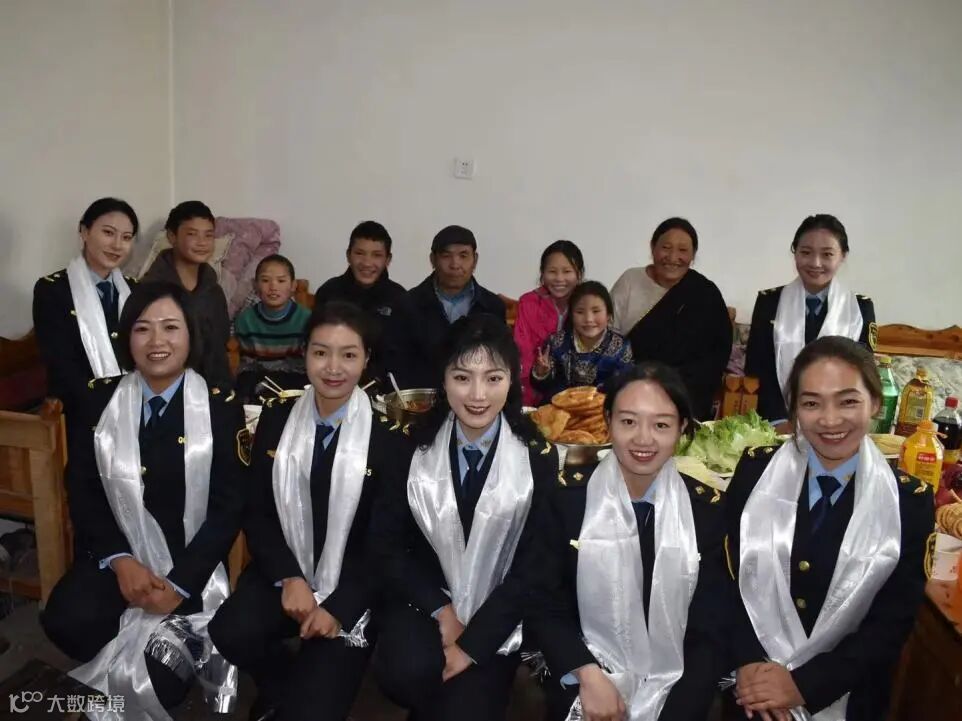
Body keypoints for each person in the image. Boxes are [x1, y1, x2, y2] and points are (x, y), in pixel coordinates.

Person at [39, 282, 247, 718]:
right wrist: (120, 560)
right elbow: (83, 488)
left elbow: (229, 507)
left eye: (170, 327)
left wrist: (180, 585)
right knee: (64, 621)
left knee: (156, 684)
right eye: (142, 328)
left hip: (189, 567)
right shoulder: (99, 399)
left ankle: (152, 648)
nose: (156, 341)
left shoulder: (220, 405)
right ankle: (127, 640)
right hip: (120, 559)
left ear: (190, 335)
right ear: (126, 337)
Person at [209, 302, 408, 721]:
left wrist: (338, 607)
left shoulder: (388, 437)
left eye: (348, 354)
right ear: (305, 354)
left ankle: (308, 684)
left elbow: (386, 543)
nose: (333, 368)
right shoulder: (277, 417)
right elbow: (257, 510)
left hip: (352, 590)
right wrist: (289, 576)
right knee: (229, 631)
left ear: (366, 359)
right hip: (286, 572)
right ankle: (280, 680)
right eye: (321, 352)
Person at [727, 336, 933, 721]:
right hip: (752, 693)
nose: (830, 419)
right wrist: (748, 661)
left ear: (875, 403)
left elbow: (892, 619)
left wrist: (804, 685)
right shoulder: (756, 473)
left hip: (845, 695)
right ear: (794, 410)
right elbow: (726, 576)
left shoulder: (907, 501)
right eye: (811, 403)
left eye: (848, 401)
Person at [370, 314, 558, 721]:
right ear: (442, 379)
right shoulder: (411, 449)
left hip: (498, 613)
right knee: (405, 673)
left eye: (493, 378)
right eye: (461, 378)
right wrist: (442, 611)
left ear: (512, 380)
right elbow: (386, 545)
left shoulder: (537, 458)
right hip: (425, 601)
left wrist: (472, 644)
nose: (477, 395)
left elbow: (536, 568)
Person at [528, 362, 729, 721]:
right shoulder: (567, 499)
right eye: (629, 422)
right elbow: (544, 603)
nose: (643, 439)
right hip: (585, 673)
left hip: (677, 681)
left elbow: (709, 626)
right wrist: (586, 674)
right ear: (608, 422)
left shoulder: (705, 511)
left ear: (683, 428)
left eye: (661, 425)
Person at [744, 214, 877, 428]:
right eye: (806, 252)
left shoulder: (860, 309)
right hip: (776, 423)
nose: (815, 263)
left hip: (836, 425)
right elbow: (757, 368)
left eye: (827, 254)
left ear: (842, 256)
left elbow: (863, 376)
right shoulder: (769, 302)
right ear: (795, 252)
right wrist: (779, 420)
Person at [32, 197, 139, 444]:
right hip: (80, 414)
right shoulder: (53, 290)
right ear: (84, 231)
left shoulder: (136, 290)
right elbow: (60, 364)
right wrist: (117, 402)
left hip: (137, 405)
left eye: (126, 237)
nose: (117, 245)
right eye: (108, 233)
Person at [618, 218, 732, 420]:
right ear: (653, 248)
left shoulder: (705, 294)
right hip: (631, 389)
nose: (672, 257)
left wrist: (669, 387)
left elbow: (715, 358)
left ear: (693, 255)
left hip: (684, 397)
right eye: (666, 247)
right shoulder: (630, 280)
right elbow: (607, 337)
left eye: (683, 250)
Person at [390, 225, 506, 389]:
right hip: (423, 399)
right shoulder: (408, 305)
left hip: (478, 397)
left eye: (463, 256)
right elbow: (398, 366)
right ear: (433, 260)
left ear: (475, 260)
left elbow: (499, 365)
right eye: (446, 256)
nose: (455, 264)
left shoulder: (492, 307)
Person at [143, 200, 232, 388]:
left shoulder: (214, 290)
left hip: (214, 388)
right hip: (165, 387)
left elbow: (220, 344)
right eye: (192, 234)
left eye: (208, 235)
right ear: (172, 236)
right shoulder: (151, 289)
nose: (202, 243)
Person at [313, 221, 407, 386]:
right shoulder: (329, 292)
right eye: (360, 253)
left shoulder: (400, 298)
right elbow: (318, 346)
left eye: (376, 255)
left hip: (383, 387)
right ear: (348, 255)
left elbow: (401, 355)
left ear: (388, 259)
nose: (367, 263)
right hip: (334, 379)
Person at [531, 281, 633, 399]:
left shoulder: (621, 347)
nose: (588, 319)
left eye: (596, 311)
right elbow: (544, 388)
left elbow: (625, 389)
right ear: (571, 315)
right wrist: (541, 373)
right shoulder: (556, 343)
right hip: (560, 407)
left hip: (602, 408)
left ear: (608, 315)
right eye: (580, 312)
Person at [514, 240, 585, 406]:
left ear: (579, 274)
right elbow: (523, 353)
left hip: (576, 395)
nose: (559, 279)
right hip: (533, 390)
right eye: (552, 271)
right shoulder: (529, 303)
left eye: (567, 271)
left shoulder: (587, 304)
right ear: (542, 274)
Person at [234, 254, 311, 401]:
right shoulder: (245, 319)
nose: (273, 287)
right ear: (255, 285)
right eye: (265, 280)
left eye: (281, 281)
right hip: (258, 373)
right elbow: (247, 363)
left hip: (294, 375)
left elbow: (308, 364)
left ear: (293, 285)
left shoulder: (306, 319)